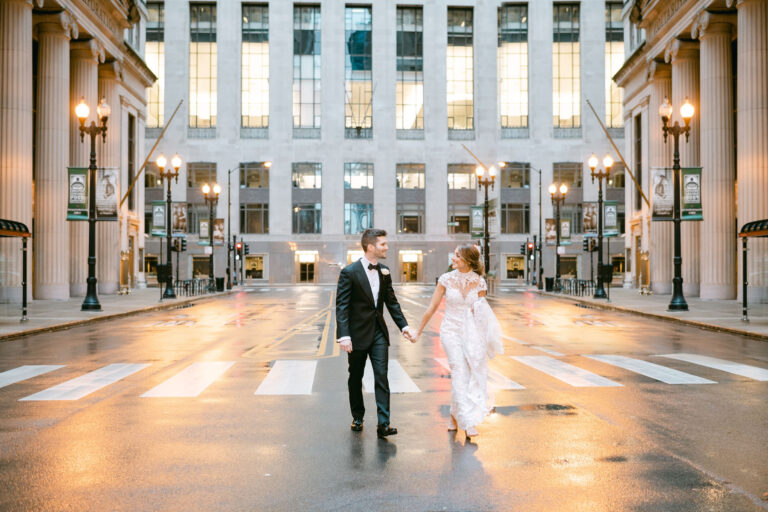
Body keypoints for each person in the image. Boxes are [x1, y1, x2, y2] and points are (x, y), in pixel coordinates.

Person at [414, 244, 502, 439]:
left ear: (467, 261)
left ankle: (453, 416)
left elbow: (481, 314)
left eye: (456, 256)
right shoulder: (446, 279)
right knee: (459, 370)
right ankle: (467, 420)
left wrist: (483, 340)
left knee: (468, 375)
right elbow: (432, 307)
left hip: (471, 333)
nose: (452, 259)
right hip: (450, 331)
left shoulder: (479, 283)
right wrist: (417, 331)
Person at [335, 228, 416, 439]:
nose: (386, 247)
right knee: (356, 377)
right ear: (370, 246)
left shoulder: (385, 271)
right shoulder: (349, 272)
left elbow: (391, 302)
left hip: (379, 333)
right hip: (357, 335)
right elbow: (342, 306)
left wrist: (404, 326)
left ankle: (384, 423)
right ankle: (358, 416)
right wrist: (344, 335)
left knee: (382, 376)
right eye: (383, 244)